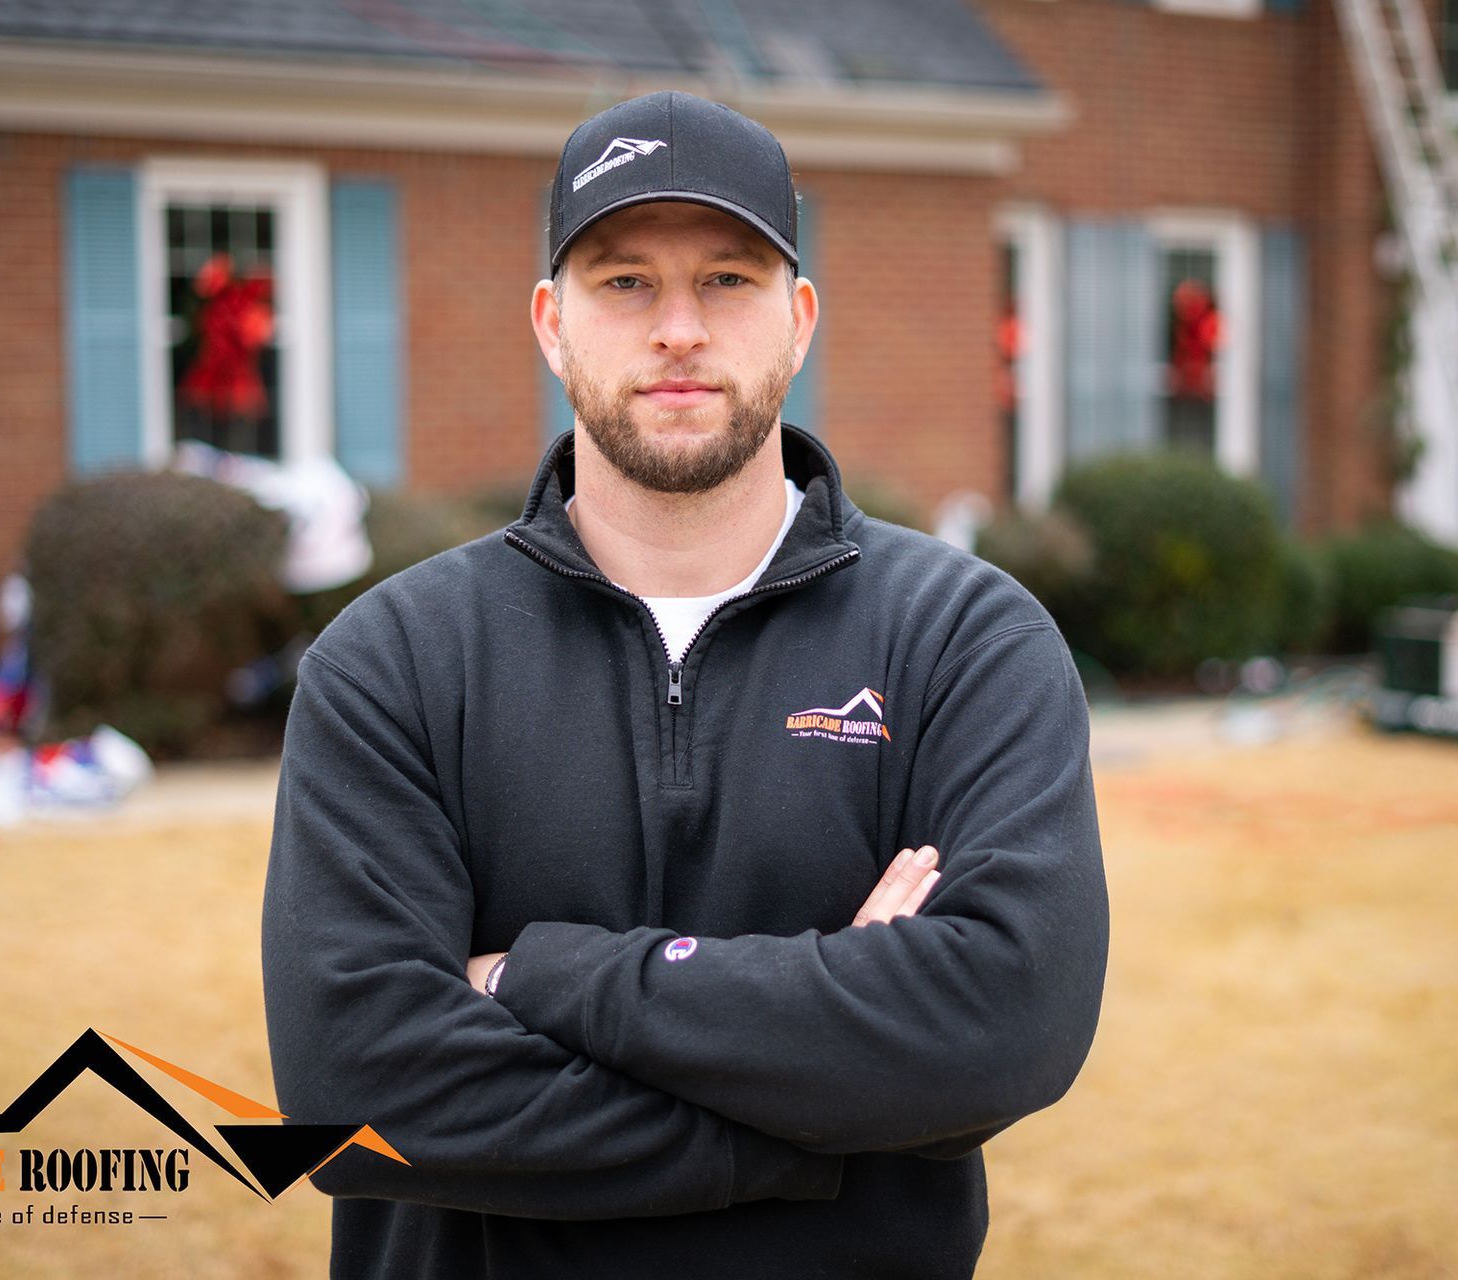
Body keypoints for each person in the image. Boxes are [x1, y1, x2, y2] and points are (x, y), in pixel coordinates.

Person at [261, 89, 1109, 1279]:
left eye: (727, 279)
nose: (678, 328)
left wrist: (535, 976)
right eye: (624, 282)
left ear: (798, 318)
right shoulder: (394, 660)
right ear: (553, 323)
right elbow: (353, 1083)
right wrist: (819, 1105)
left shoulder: (962, 641)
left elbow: (1006, 1018)